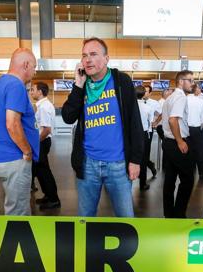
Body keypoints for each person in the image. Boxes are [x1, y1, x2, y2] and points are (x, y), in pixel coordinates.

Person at [61, 37, 143, 217]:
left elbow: (135, 122)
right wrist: (78, 85)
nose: (87, 59)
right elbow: (68, 116)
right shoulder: (82, 85)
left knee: (126, 218)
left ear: (106, 58)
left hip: (118, 165)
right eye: (84, 56)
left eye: (93, 54)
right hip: (88, 164)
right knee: (85, 218)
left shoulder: (121, 81)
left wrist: (136, 160)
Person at [0, 48, 40, 215]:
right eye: (34, 66)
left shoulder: (1, 83)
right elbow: (12, 123)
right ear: (25, 65)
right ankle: (19, 240)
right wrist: (27, 150)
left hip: (0, 155)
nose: (34, 71)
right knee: (18, 212)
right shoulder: (16, 85)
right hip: (14, 158)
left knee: (12, 205)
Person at [161, 70, 196, 218]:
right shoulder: (180, 97)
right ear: (181, 81)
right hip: (176, 143)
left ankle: (169, 215)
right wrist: (180, 141)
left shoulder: (170, 97)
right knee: (188, 180)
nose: (193, 84)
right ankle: (179, 214)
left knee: (170, 180)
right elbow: (173, 120)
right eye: (190, 80)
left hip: (168, 142)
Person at [29, 81, 61, 209]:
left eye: (33, 90)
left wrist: (35, 144)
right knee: (41, 171)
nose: (31, 92)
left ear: (40, 92)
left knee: (44, 172)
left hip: (42, 142)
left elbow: (46, 129)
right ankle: (48, 196)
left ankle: (54, 200)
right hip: (41, 142)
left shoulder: (44, 107)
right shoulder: (43, 105)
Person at [136, 85, 158, 190]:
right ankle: (142, 184)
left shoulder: (129, 106)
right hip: (144, 134)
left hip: (132, 134)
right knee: (144, 159)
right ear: (143, 94)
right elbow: (150, 122)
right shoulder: (148, 108)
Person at [187, 83, 203, 179]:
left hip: (185, 129)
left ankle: (188, 171)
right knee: (199, 150)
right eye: (199, 88)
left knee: (187, 150)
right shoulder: (201, 101)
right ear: (196, 90)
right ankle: (202, 172)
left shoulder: (184, 100)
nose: (200, 90)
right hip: (197, 129)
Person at [142, 84, 160, 178]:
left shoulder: (154, 103)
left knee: (146, 152)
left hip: (149, 130)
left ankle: (144, 177)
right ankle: (150, 164)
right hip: (138, 130)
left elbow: (160, 113)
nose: (144, 93)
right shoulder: (137, 102)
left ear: (150, 93)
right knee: (139, 152)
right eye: (143, 91)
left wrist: (156, 121)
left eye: (146, 91)